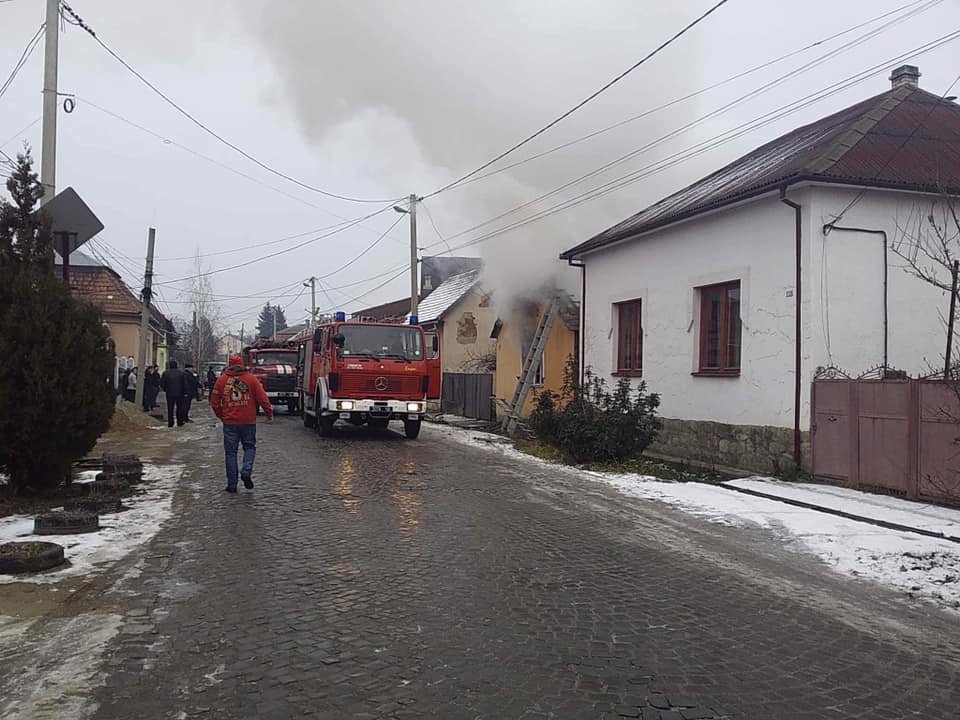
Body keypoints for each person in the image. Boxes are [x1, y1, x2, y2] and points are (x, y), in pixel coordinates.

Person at [210, 354, 273, 493]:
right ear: (242, 364)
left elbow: (214, 403)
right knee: (249, 447)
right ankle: (246, 470)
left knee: (231, 453)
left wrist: (222, 416)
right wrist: (269, 414)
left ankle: (232, 485)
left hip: (230, 422)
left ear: (229, 364)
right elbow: (263, 398)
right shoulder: (251, 379)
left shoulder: (222, 381)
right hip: (248, 421)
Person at [160, 360, 187, 428]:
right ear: (176, 365)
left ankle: (170, 423)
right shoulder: (181, 373)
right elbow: (184, 384)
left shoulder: (165, 373)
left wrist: (166, 389)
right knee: (179, 408)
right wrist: (185, 392)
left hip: (169, 394)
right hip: (180, 394)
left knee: (170, 408)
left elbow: (162, 383)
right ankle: (179, 422)